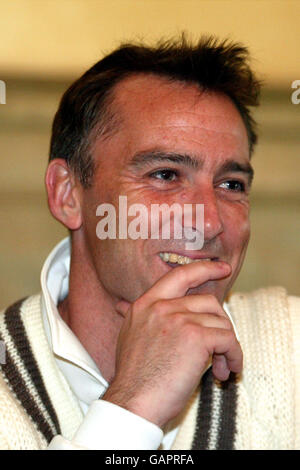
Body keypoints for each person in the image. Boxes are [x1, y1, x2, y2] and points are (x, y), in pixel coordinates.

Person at [0, 35, 299, 450]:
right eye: (165, 175)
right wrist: (132, 409)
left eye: (231, 184)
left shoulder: (289, 350)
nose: (209, 222)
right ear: (68, 194)